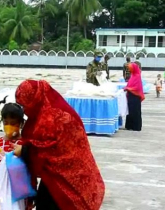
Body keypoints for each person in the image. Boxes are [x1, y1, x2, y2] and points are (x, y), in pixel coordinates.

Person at [13, 80, 105, 210]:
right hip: (54, 176)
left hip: (70, 178)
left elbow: (49, 152)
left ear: (35, 100)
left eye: (25, 105)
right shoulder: (45, 111)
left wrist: (24, 150)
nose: (25, 110)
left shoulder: (55, 118)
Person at [0, 102, 24, 171]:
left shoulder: (24, 145)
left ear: (21, 124)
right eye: (5, 123)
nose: (9, 126)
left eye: (13, 123)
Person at [124, 63, 144, 131]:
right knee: (130, 111)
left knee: (135, 111)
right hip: (130, 96)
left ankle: (136, 126)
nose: (129, 69)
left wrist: (129, 89)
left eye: (130, 68)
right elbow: (129, 84)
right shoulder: (132, 76)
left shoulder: (137, 76)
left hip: (135, 96)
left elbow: (137, 87)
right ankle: (129, 126)